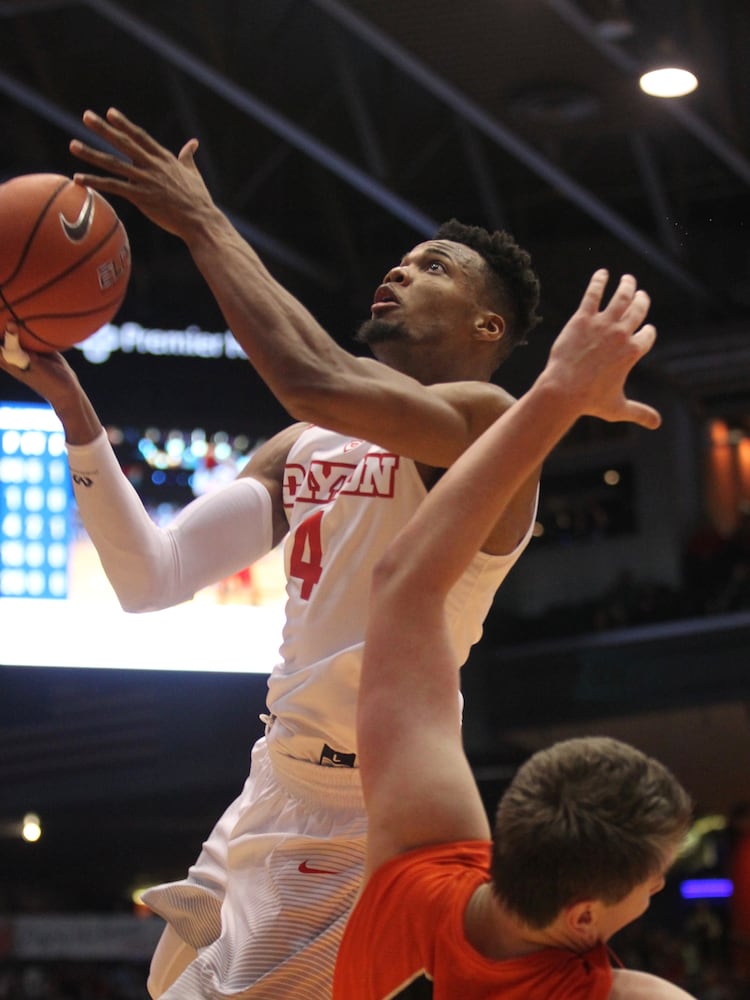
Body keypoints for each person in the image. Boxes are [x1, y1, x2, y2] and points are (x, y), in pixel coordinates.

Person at [0, 109, 545, 999]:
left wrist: (204, 221)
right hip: (269, 784)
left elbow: (308, 372)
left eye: (434, 267)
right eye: (401, 259)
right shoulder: (303, 447)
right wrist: (74, 412)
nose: (401, 268)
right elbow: (152, 578)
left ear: (489, 328)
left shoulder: (490, 429)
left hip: (363, 813)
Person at [333, 268, 696, 998]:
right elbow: (404, 585)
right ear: (585, 917)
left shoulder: (415, 870)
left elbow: (403, 583)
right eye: (656, 875)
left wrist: (555, 395)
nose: (661, 881)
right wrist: (556, 398)